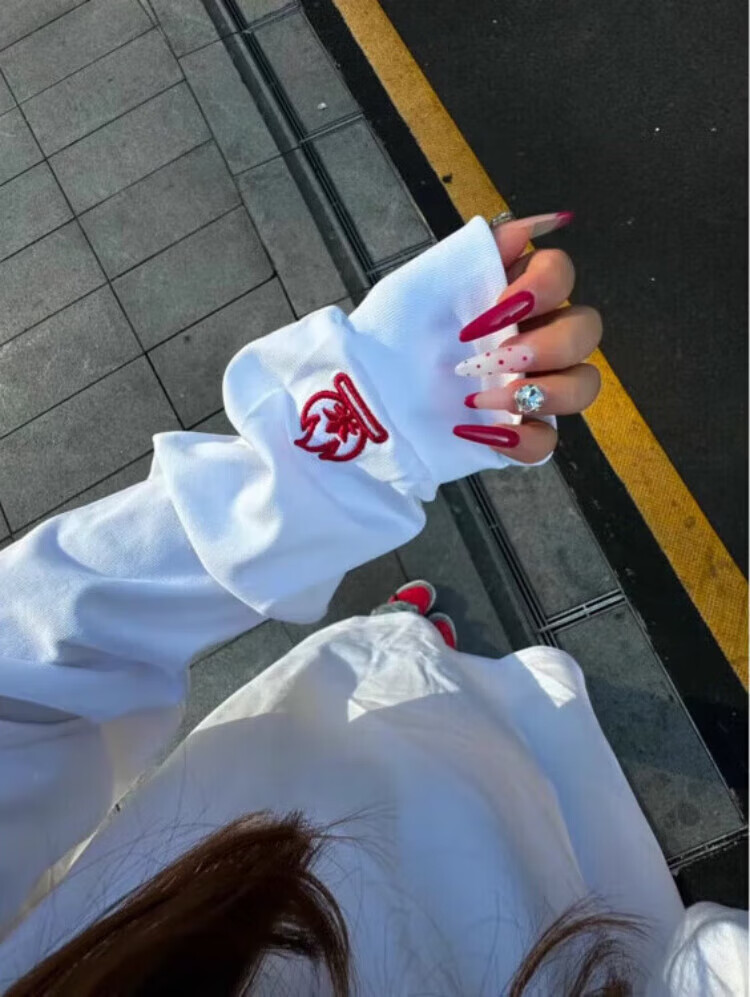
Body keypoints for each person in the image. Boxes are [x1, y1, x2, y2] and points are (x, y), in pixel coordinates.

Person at [0, 215, 745, 996]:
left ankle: (406, 642)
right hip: (571, 914)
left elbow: (25, 673)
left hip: (306, 781)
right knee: (417, 712)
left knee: (387, 684)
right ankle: (410, 646)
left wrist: (361, 431)